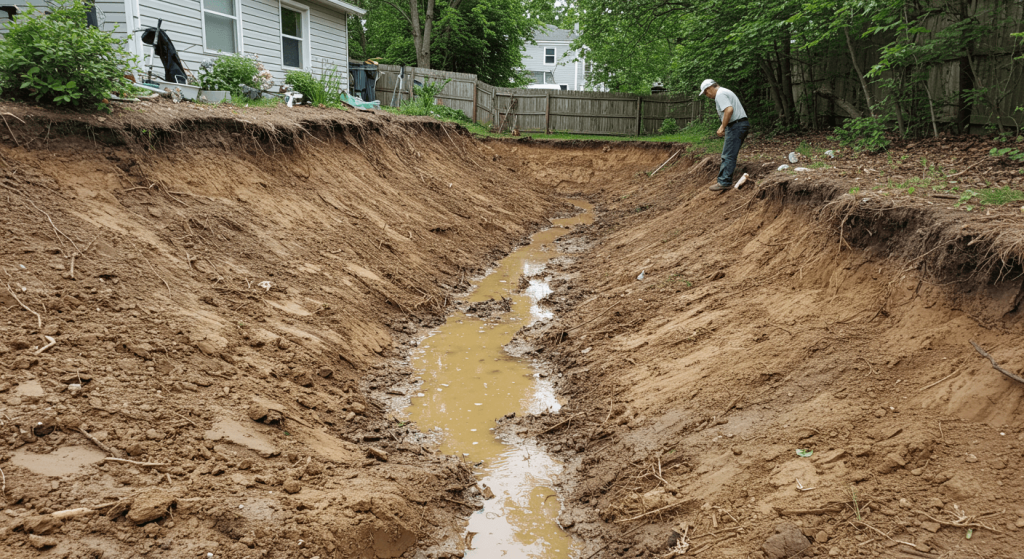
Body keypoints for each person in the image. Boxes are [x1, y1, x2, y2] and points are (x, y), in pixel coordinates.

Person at [699, 79, 750, 192]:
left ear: (710, 88)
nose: (707, 95)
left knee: (728, 155)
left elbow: (729, 109)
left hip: (736, 125)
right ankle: (724, 179)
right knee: (729, 153)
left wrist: (722, 126)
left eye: (706, 92)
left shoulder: (720, 94)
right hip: (739, 124)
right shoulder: (725, 92)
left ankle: (724, 182)